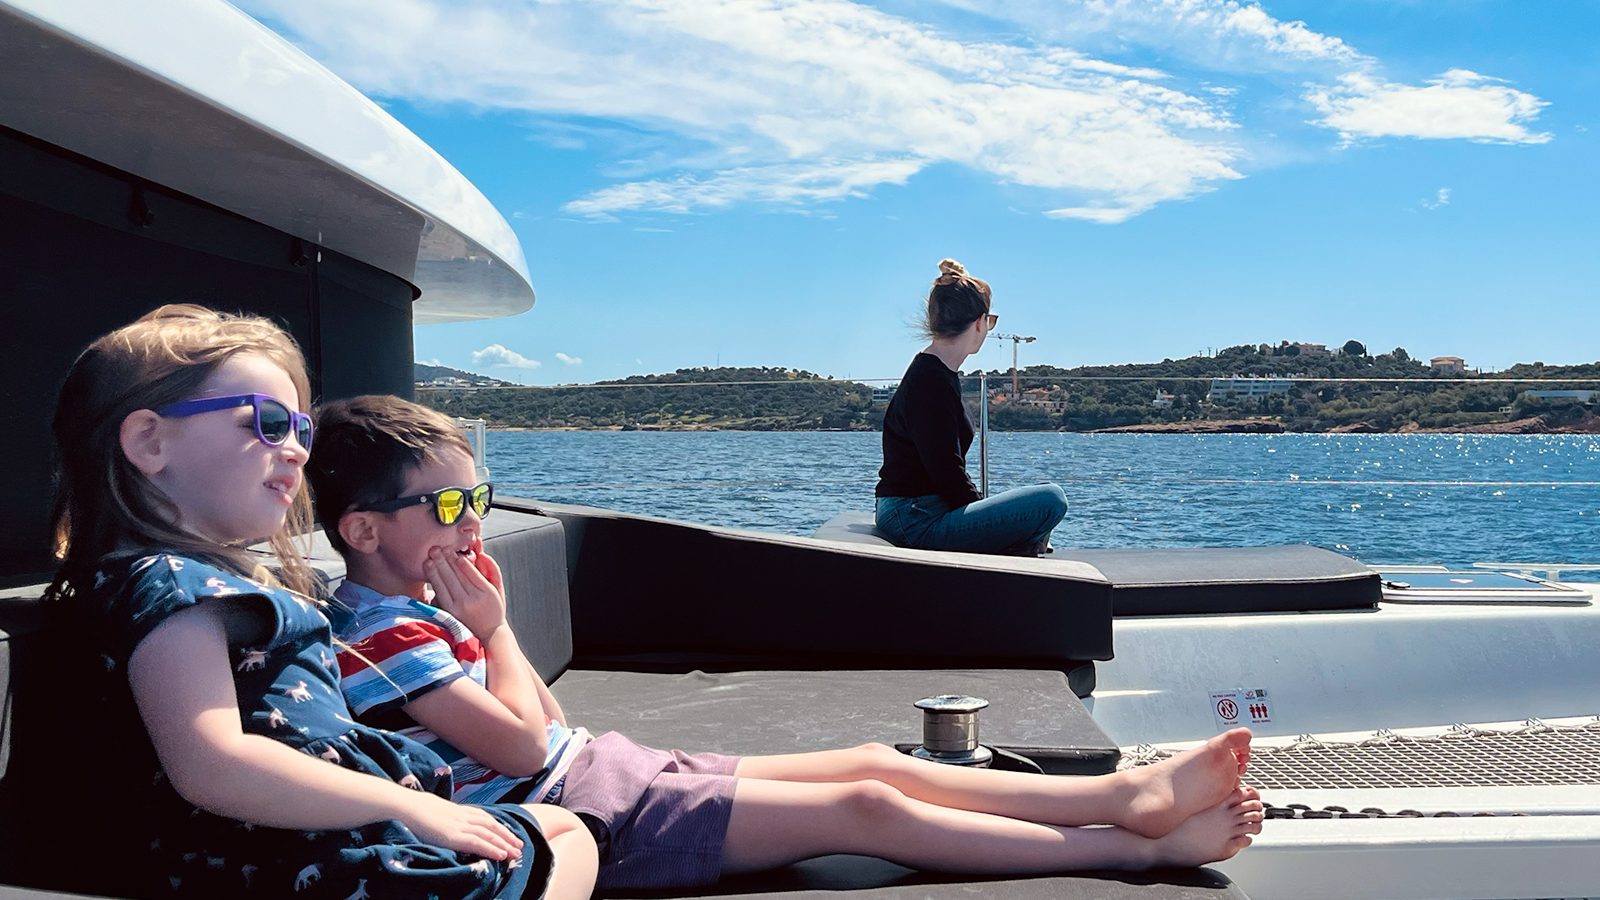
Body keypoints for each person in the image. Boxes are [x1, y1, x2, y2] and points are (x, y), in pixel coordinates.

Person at [307, 394, 1264, 894]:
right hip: (580, 818)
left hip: (597, 769)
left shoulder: (422, 611)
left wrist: (489, 639)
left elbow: (550, 726)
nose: (473, 522)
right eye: (447, 504)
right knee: (863, 805)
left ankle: (1118, 795)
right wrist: (498, 631)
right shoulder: (381, 636)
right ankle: (1127, 852)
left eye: (479, 498)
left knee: (868, 758)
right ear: (361, 531)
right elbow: (522, 750)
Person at [44, 305, 597, 899]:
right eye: (269, 423)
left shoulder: (179, 582)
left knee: (563, 829)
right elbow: (213, 765)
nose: (298, 451)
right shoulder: (176, 587)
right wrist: (406, 807)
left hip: (325, 834)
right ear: (150, 441)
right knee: (567, 834)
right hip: (315, 861)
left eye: (302, 431)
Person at [876, 258, 1069, 555]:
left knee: (1036, 507)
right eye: (990, 322)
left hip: (918, 510)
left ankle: (1024, 547)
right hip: (914, 518)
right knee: (1051, 500)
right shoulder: (931, 381)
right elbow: (946, 471)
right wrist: (987, 516)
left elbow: (944, 471)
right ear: (980, 322)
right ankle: (1023, 549)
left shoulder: (935, 372)